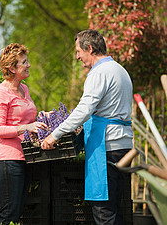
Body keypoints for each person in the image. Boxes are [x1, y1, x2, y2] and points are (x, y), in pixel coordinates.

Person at [41, 29, 133, 225]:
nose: (77, 57)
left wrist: (54, 135)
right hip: (123, 145)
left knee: (104, 212)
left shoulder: (99, 72)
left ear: (89, 48)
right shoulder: (120, 70)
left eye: (78, 51)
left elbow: (84, 110)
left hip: (106, 147)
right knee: (116, 208)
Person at [0, 43, 47, 225]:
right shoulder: (0, 94)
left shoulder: (24, 89)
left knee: (18, 211)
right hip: (8, 160)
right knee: (9, 214)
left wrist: (43, 116)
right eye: (24, 62)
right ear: (12, 68)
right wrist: (26, 127)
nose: (28, 65)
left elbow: (25, 119)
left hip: (25, 157)